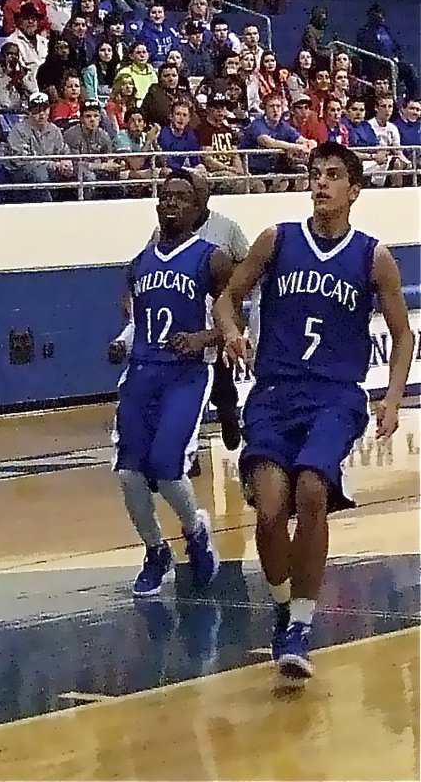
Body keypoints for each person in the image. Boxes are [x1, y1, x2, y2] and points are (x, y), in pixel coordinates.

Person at [214, 142, 413, 678]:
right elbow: (227, 298)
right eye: (314, 174)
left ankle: (301, 623)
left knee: (310, 489)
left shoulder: (373, 257)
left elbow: (402, 335)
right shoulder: (277, 240)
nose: (320, 183)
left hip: (335, 396)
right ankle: (283, 604)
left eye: (332, 175)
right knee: (272, 506)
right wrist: (231, 331)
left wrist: (391, 398)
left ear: (354, 189)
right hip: (275, 393)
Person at [107, 171, 232, 596]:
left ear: (198, 210)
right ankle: (156, 550)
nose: (171, 203)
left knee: (166, 466)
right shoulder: (138, 263)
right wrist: (122, 342)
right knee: (128, 473)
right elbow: (138, 321)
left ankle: (196, 529)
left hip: (185, 374)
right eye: (165, 196)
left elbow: (237, 316)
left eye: (181, 197)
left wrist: (204, 337)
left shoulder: (212, 258)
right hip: (141, 372)